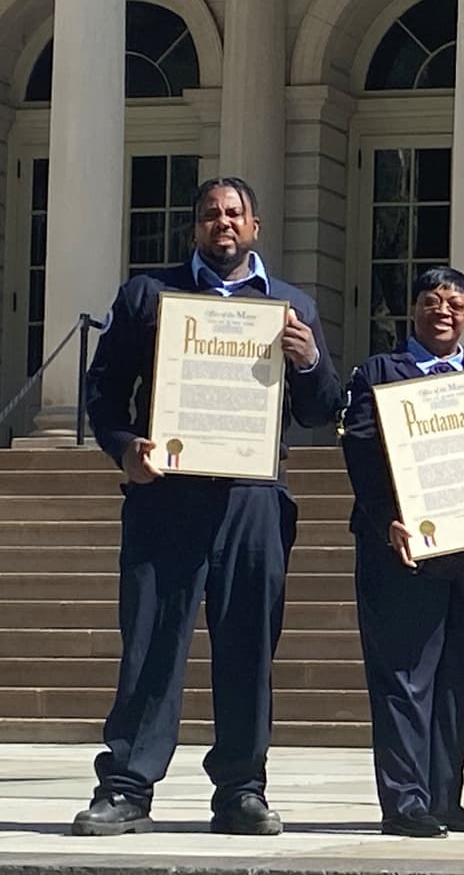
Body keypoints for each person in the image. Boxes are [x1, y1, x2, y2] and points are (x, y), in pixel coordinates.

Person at [75, 177, 344, 836]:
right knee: (150, 643)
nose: (222, 224)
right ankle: (127, 786)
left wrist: (308, 362)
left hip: (253, 499)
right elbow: (105, 391)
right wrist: (123, 448)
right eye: (209, 215)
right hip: (166, 494)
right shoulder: (149, 295)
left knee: (248, 646)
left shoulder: (290, 304)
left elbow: (321, 408)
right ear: (194, 227)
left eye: (233, 214)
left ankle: (242, 788)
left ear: (254, 227)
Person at [340, 266, 464, 838]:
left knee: (457, 677)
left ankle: (445, 796)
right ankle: (405, 802)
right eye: (431, 301)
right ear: (414, 310)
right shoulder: (379, 373)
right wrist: (388, 522)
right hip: (404, 552)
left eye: (454, 302)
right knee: (404, 676)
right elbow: (361, 454)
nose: (443, 310)